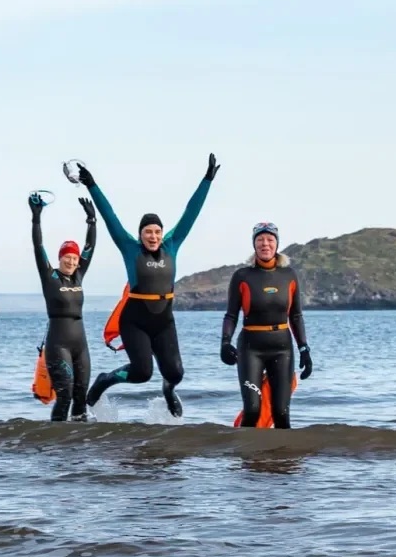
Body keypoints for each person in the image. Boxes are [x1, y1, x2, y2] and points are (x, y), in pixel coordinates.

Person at [77, 155, 218, 417]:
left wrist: (207, 180)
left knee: (175, 373)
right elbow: (110, 216)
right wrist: (91, 184)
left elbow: (191, 213)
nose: (153, 236)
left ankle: (168, 391)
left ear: (162, 233)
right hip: (135, 320)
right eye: (148, 232)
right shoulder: (130, 248)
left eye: (157, 231)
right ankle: (105, 379)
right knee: (142, 372)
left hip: (164, 321)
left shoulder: (172, 245)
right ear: (140, 234)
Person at [221, 222, 312, 428]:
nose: (265, 244)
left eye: (270, 239)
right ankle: (247, 458)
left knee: (281, 413)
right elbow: (231, 315)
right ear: (254, 244)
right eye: (260, 239)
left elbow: (296, 315)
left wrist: (304, 348)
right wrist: (225, 342)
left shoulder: (288, 275)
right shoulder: (242, 276)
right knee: (252, 411)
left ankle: (282, 460)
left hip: (282, 348)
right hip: (251, 348)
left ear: (277, 244)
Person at [31, 192, 97, 421]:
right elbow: (38, 245)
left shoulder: (79, 275)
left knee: (81, 397)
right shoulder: (49, 276)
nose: (71, 261)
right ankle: (56, 446)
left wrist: (92, 221)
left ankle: (79, 446)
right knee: (65, 396)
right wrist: (36, 218)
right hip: (58, 344)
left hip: (81, 344)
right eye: (67, 257)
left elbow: (90, 245)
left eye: (74, 258)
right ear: (60, 258)